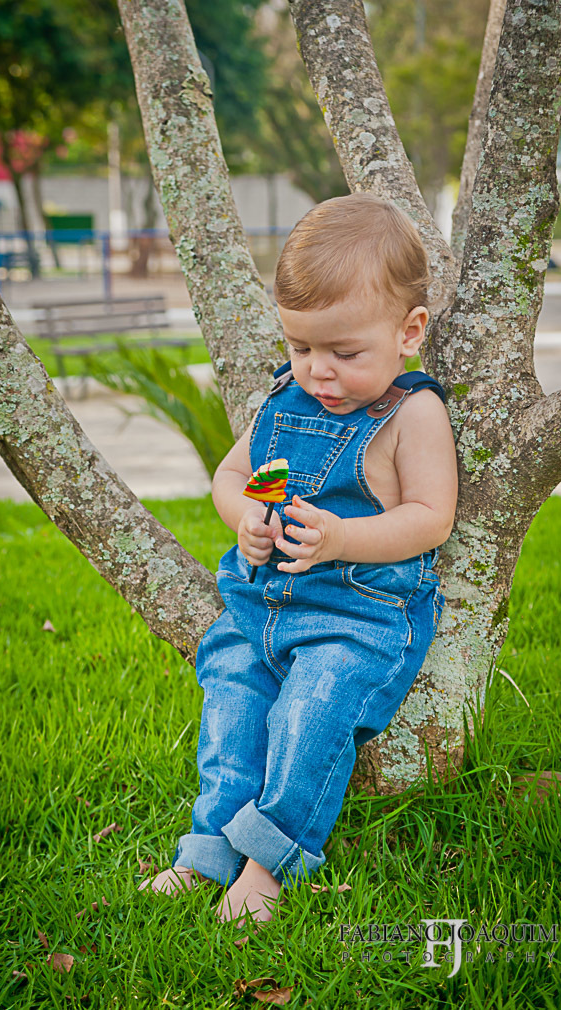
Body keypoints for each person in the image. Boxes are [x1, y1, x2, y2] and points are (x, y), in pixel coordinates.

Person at [139, 193, 458, 932]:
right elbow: (232, 477)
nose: (320, 372)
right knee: (232, 712)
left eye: (345, 354)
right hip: (261, 608)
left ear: (409, 332)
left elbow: (430, 517)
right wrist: (245, 517)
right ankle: (209, 849)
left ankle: (269, 862)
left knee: (311, 715)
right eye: (302, 348)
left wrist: (343, 538)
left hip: (358, 618)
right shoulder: (284, 401)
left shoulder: (412, 415)